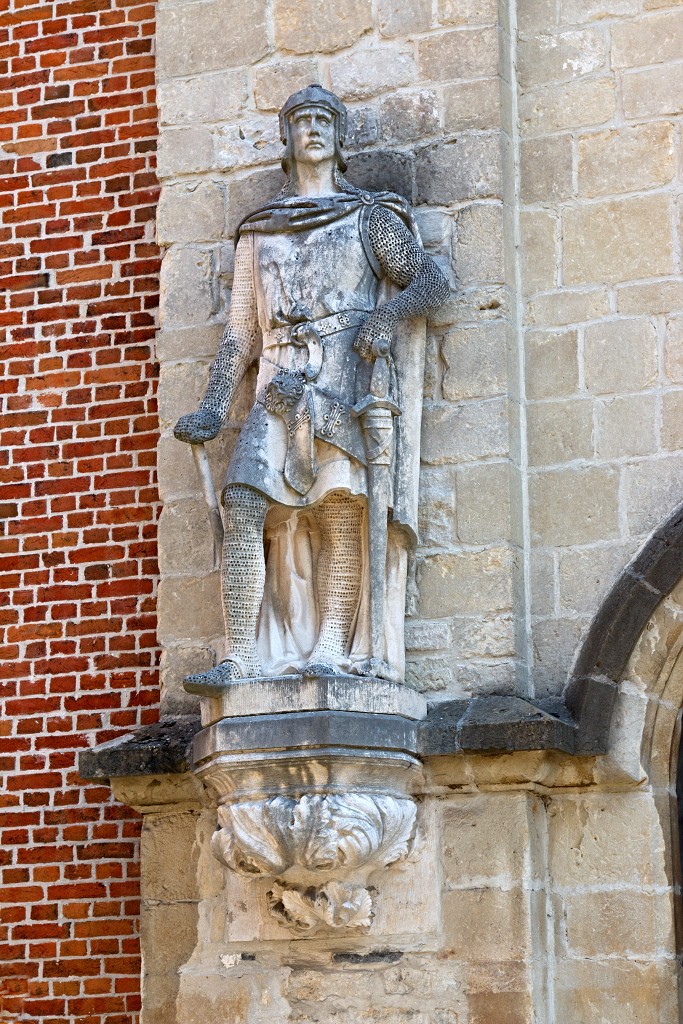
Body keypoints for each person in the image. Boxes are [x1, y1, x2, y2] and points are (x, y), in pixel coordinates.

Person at [174, 85, 448, 690]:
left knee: (339, 512)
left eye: (325, 120)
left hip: (341, 379)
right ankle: (241, 656)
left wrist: (384, 318)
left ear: (341, 138)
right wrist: (215, 408)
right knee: (243, 502)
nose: (314, 130)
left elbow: (429, 281)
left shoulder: (367, 218)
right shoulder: (259, 233)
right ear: (287, 138)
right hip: (276, 383)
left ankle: (329, 649)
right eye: (302, 121)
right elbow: (241, 332)